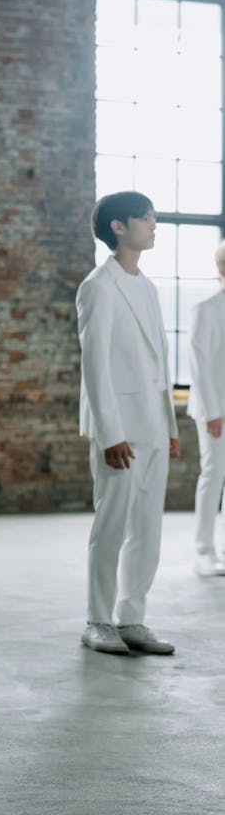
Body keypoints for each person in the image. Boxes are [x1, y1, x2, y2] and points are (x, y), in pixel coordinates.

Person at [76, 191, 179, 655]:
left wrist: (171, 428)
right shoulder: (99, 286)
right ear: (119, 227)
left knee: (148, 528)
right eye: (146, 219)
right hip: (119, 430)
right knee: (112, 525)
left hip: (154, 426)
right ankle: (98, 619)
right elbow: (95, 365)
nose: (153, 226)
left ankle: (132, 617)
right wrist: (109, 433)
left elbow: (158, 360)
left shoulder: (148, 286)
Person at [188, 241, 225, 577]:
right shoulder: (206, 308)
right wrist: (213, 412)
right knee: (213, 475)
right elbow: (199, 366)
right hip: (215, 410)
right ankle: (204, 551)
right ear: (222, 269)